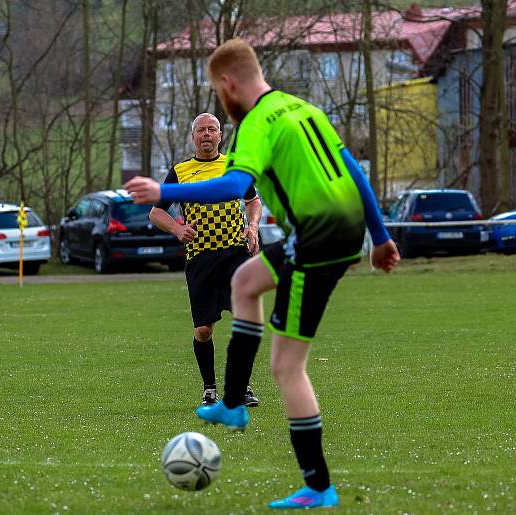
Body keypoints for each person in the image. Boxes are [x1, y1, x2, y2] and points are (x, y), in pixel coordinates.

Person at [125, 38, 400, 510]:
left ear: (229, 84)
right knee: (245, 283)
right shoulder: (303, 109)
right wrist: (379, 237)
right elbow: (353, 169)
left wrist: (161, 189)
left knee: (287, 367)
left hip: (317, 240)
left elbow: (235, 185)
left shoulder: (254, 123)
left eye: (219, 93)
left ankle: (317, 485)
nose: (223, 108)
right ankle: (232, 403)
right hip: (340, 231)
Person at [149, 112, 263, 409]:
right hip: (201, 258)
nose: (207, 134)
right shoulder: (180, 171)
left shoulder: (234, 166)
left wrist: (252, 227)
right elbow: (156, 211)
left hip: (236, 254)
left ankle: (241, 387)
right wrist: (176, 228)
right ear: (193, 137)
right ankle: (210, 388)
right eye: (201, 130)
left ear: (220, 135)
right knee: (204, 330)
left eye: (212, 129)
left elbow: (253, 201)